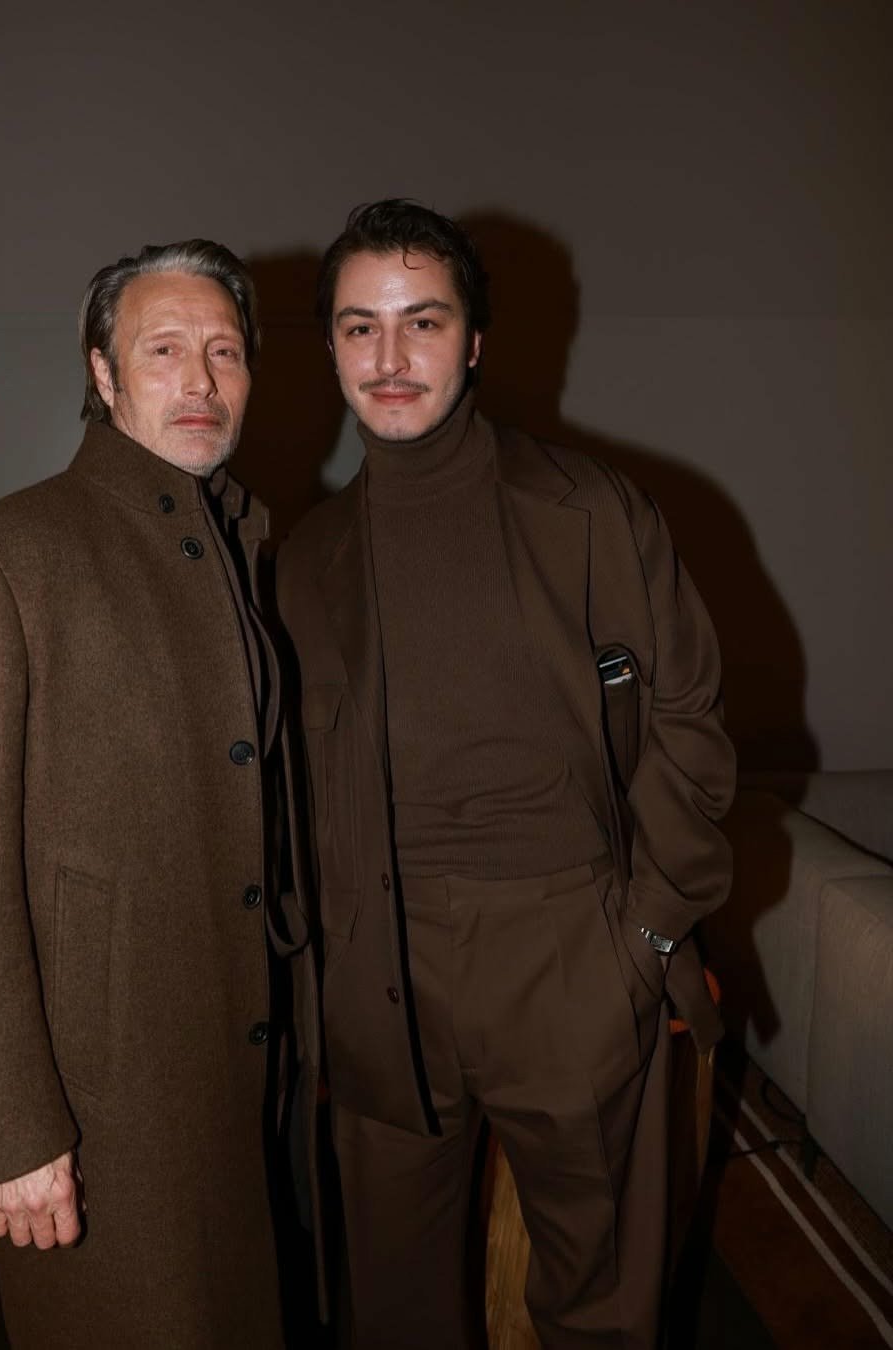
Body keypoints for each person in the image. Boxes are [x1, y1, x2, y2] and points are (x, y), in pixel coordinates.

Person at [275, 200, 735, 1348]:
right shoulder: (301, 560)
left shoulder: (593, 512)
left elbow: (689, 717)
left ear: (474, 341)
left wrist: (647, 932)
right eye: (360, 327)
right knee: (391, 1311)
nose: (389, 357)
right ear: (330, 346)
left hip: (574, 952)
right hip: (379, 973)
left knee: (602, 1309)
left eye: (422, 322)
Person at [0, 240, 319, 1348]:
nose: (201, 380)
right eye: (164, 349)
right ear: (101, 371)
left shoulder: (246, 544)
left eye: (225, 351)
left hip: (242, 1067)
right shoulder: (7, 558)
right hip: (99, 1100)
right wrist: (7, 1129)